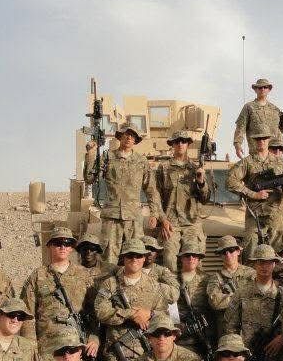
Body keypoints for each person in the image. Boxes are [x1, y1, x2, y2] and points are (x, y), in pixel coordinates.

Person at [227, 124, 283, 256]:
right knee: (252, 258)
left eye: (264, 138)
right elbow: (230, 181)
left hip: (277, 219)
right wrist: (254, 194)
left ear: (268, 140)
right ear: (253, 141)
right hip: (255, 220)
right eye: (258, 138)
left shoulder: (280, 163)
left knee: (281, 259)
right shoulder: (247, 162)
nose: (261, 141)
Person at [83, 124, 161, 264]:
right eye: (126, 134)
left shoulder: (141, 161)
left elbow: (151, 189)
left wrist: (154, 213)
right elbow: (89, 178)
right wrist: (91, 154)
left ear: (136, 140)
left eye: (133, 135)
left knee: (135, 258)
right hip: (112, 217)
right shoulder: (108, 157)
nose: (129, 137)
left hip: (133, 219)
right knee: (109, 259)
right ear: (120, 136)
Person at [20, 225, 100, 361]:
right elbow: (27, 315)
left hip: (77, 345)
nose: (62, 247)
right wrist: (31, 347)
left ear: (71, 248)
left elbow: (95, 311)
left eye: (67, 243)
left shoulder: (83, 275)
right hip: (47, 347)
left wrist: (94, 338)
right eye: (58, 243)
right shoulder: (38, 276)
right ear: (49, 246)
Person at [94, 238, 167, 361]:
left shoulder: (154, 285)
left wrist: (150, 314)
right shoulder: (110, 284)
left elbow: (164, 314)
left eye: (139, 255)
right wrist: (130, 314)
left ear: (144, 258)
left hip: (147, 351)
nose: (134, 259)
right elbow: (100, 311)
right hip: (118, 353)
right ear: (123, 257)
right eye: (130, 255)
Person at [223, 244, 283, 361]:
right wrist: (237, 351)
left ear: (274, 264)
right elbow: (230, 325)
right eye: (260, 262)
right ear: (255, 264)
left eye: (268, 263)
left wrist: (282, 338)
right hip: (248, 355)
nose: (264, 267)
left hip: (276, 357)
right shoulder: (241, 293)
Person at [155, 131, 211, 270]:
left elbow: (205, 199)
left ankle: (195, 290)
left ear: (188, 144)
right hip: (171, 223)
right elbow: (155, 196)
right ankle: (172, 290)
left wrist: (201, 182)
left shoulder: (197, 168)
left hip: (192, 223)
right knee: (168, 259)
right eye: (177, 141)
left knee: (195, 261)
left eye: (184, 141)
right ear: (172, 145)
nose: (180, 144)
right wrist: (162, 220)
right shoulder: (164, 168)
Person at [233, 77, 283, 158]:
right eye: (260, 87)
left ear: (269, 90)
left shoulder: (275, 109)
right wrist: (237, 144)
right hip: (257, 152)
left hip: (275, 151)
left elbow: (282, 127)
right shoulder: (249, 107)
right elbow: (240, 127)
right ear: (255, 89)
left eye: (265, 87)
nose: (262, 89)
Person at [205, 235, 254, 336]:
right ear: (220, 255)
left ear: (238, 251)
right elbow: (215, 301)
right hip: (227, 331)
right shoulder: (216, 277)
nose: (228, 254)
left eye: (231, 250)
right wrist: (240, 297)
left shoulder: (251, 274)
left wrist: (227, 298)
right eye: (224, 252)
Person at [175, 242, 214, 361]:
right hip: (180, 333)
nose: (191, 258)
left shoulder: (207, 279)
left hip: (203, 333)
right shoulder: (171, 278)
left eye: (194, 256)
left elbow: (212, 306)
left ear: (199, 259)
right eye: (187, 256)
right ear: (181, 258)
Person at [142, 235, 180, 307]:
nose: (150, 253)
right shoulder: (128, 270)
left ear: (157, 253)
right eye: (146, 248)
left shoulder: (163, 271)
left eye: (153, 250)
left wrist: (151, 287)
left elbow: (174, 295)